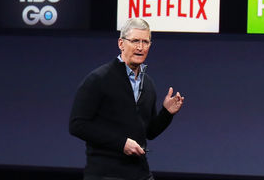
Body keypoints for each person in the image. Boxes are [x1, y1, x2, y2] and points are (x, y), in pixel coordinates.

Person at [69, 18, 184, 180]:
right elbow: (77, 125)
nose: (140, 47)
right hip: (106, 173)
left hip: (140, 172)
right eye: (135, 41)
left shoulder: (148, 84)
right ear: (121, 44)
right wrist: (121, 143)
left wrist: (167, 113)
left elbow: (149, 132)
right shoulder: (99, 79)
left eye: (145, 42)